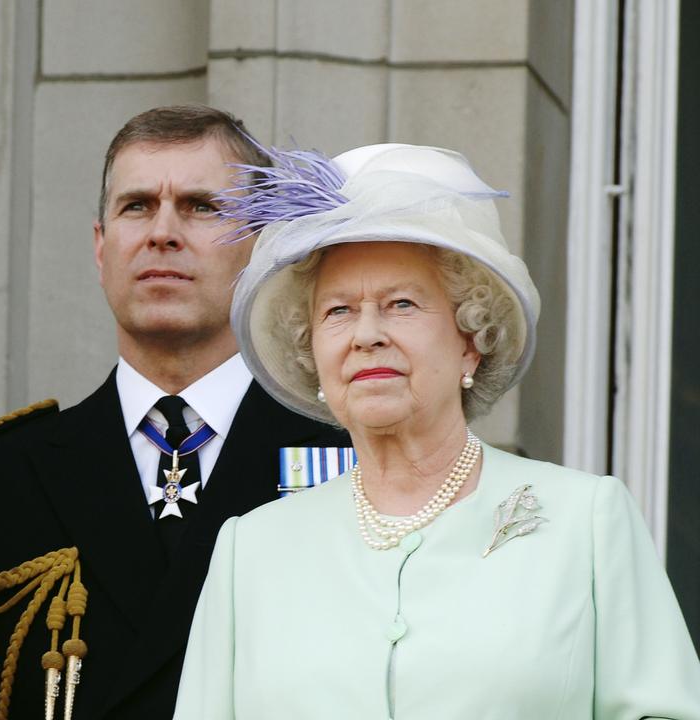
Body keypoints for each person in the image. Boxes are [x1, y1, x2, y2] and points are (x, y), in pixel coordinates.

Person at [173, 142, 700, 718]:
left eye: (401, 304)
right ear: (313, 353)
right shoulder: (251, 550)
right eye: (338, 311)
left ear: (471, 341)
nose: (366, 334)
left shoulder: (587, 520)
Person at [0, 105, 348, 720]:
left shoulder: (350, 463)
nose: (162, 232)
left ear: (261, 248)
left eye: (201, 206)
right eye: (136, 206)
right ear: (100, 247)